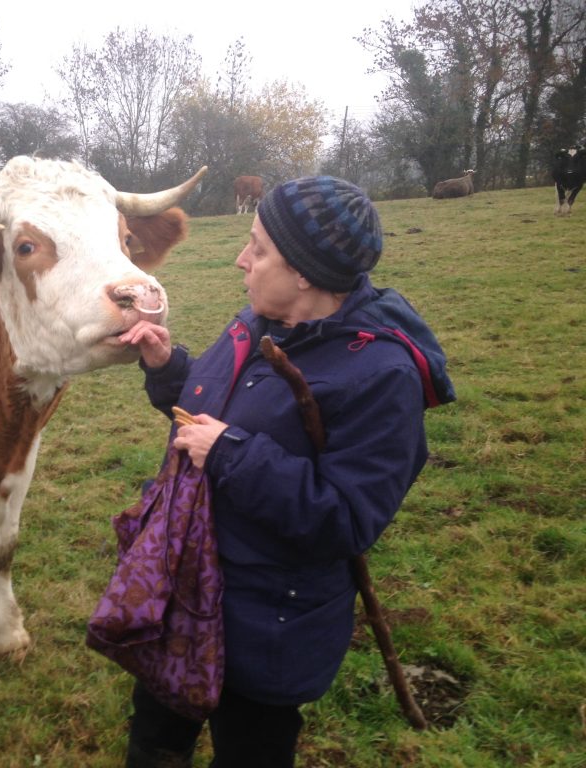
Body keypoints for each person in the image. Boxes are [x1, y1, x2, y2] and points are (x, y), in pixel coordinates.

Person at [116, 176, 455, 767]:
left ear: (303, 271)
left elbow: (346, 519)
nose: (241, 259)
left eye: (259, 248)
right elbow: (218, 409)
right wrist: (171, 369)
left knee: (249, 748)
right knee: (154, 737)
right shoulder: (258, 323)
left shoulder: (380, 376)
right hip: (186, 583)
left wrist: (230, 454)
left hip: (267, 622)